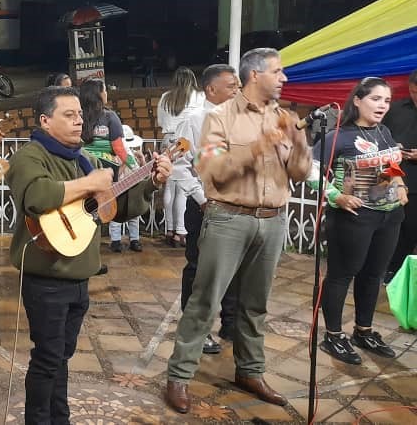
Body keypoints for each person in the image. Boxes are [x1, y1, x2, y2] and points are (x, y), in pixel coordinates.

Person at [7, 86, 171, 425]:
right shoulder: (31, 156)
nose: (79, 120)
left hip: (80, 276)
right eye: (68, 115)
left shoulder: (86, 159)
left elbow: (117, 207)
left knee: (61, 357)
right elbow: (37, 195)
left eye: (80, 114)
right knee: (48, 358)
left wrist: (150, 182)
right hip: (47, 277)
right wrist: (91, 182)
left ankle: (59, 418)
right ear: (45, 121)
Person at [165, 48, 311, 414]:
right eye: (278, 72)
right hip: (228, 218)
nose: (284, 78)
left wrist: (299, 145)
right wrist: (258, 148)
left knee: (255, 304)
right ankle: (179, 376)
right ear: (254, 76)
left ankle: (251, 371)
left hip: (274, 219)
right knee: (206, 301)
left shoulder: (286, 118)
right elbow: (211, 171)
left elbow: (300, 173)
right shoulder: (218, 118)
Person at [308, 77, 406, 364]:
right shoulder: (338, 135)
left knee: (374, 275)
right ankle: (333, 336)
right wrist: (336, 196)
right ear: (358, 100)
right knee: (341, 275)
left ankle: (364, 330)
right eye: (376, 99)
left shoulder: (384, 132)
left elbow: (391, 164)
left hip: (388, 217)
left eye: (386, 101)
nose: (383, 106)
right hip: (353, 218)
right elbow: (311, 171)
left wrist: (399, 183)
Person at [174, 64, 241, 355]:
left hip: (237, 205)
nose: (238, 91)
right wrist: (202, 198)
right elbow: (179, 164)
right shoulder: (194, 119)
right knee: (201, 269)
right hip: (205, 206)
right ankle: (196, 329)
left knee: (235, 267)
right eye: (231, 87)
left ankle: (231, 322)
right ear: (211, 89)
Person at [79, 79, 139, 252]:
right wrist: (134, 165)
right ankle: (112, 241)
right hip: (106, 170)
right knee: (107, 205)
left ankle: (85, 247)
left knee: (86, 209)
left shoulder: (80, 116)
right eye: (104, 90)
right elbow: (118, 148)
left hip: (84, 166)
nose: (106, 93)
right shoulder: (109, 116)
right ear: (98, 94)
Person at [158, 67, 205, 247]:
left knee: (170, 186)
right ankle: (180, 231)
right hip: (186, 141)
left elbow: (161, 122)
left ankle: (170, 229)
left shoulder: (165, 97)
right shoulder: (199, 97)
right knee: (183, 188)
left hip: (168, 140)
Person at [383, 69, 417, 284]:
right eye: (414, 92)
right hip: (396, 180)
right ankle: (391, 274)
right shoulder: (396, 109)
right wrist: (392, 147)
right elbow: (379, 135)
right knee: (394, 231)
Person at [107, 125, 145, 251]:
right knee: (116, 214)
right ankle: (115, 241)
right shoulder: (113, 154)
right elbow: (115, 174)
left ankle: (135, 240)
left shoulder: (134, 154)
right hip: (118, 187)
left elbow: (141, 172)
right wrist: (124, 162)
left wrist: (142, 160)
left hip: (133, 187)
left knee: (134, 215)